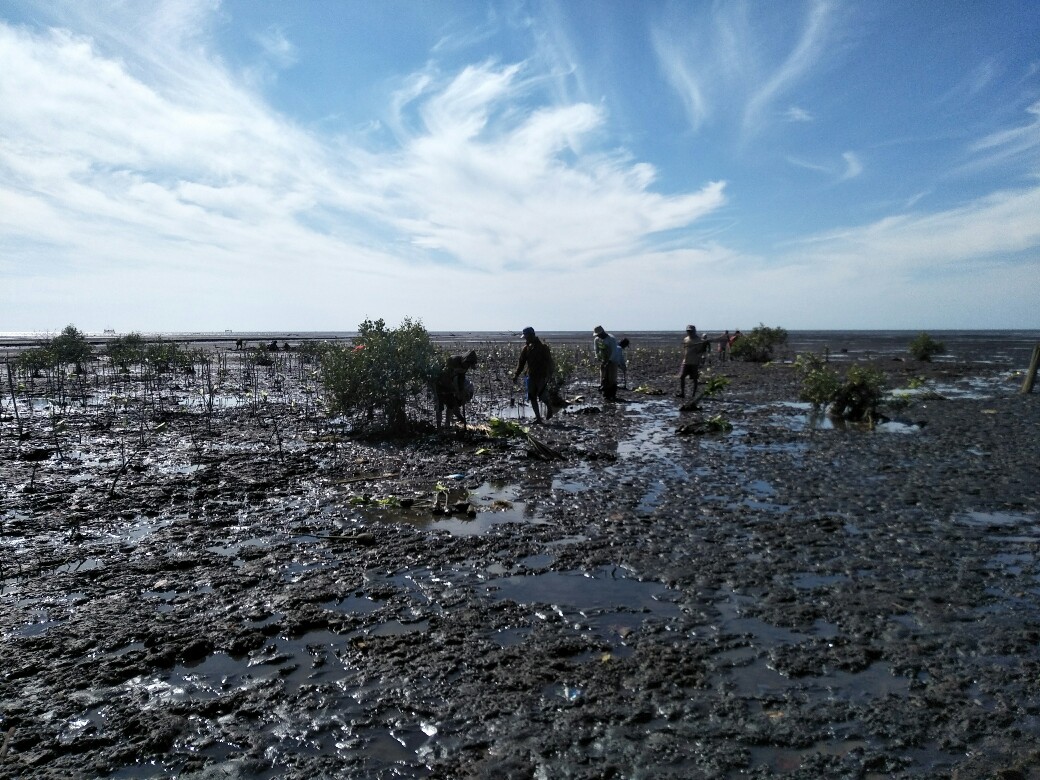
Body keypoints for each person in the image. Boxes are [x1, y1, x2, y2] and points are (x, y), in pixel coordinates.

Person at [512, 327, 555, 423]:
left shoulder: (543, 347)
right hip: (530, 376)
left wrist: (550, 375)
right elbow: (521, 363)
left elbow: (550, 362)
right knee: (532, 397)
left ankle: (550, 408)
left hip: (541, 375)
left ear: (532, 335)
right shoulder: (526, 349)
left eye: (527, 337)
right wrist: (516, 375)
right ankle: (538, 418)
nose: (526, 339)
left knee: (543, 396)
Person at [435, 349, 477, 429]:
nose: (468, 367)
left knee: (451, 404)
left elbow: (461, 378)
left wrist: (461, 391)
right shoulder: (453, 360)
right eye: (468, 364)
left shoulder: (465, 367)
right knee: (439, 404)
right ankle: (439, 427)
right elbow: (445, 376)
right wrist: (455, 390)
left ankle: (447, 425)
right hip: (440, 382)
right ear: (465, 361)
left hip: (450, 383)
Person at [678, 325, 710, 398]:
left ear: (694, 331)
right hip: (686, 361)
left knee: (695, 378)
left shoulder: (699, 340)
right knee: (682, 377)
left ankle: (693, 394)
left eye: (691, 331)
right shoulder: (685, 339)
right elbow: (685, 349)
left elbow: (701, 351)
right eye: (688, 331)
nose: (689, 332)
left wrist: (703, 346)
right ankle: (682, 393)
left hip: (694, 362)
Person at [593, 326, 620, 401]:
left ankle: (612, 395)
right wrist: (598, 358)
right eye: (597, 335)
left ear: (603, 332)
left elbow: (614, 351)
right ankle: (605, 395)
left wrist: (610, 361)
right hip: (603, 360)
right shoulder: (597, 340)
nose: (598, 336)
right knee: (603, 377)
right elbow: (596, 350)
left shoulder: (611, 339)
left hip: (613, 360)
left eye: (599, 334)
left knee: (612, 378)